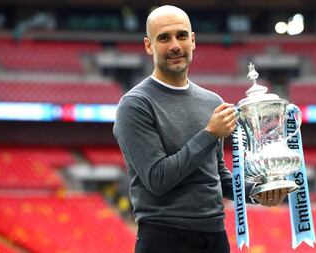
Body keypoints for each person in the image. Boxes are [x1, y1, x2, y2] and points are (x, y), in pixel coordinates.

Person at [113, 5, 287, 253]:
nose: (175, 45)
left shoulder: (211, 102)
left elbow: (215, 175)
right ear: (148, 46)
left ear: (193, 41)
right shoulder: (135, 104)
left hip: (215, 236)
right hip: (165, 238)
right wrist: (209, 134)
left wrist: (257, 192)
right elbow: (157, 179)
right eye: (164, 38)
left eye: (181, 35)